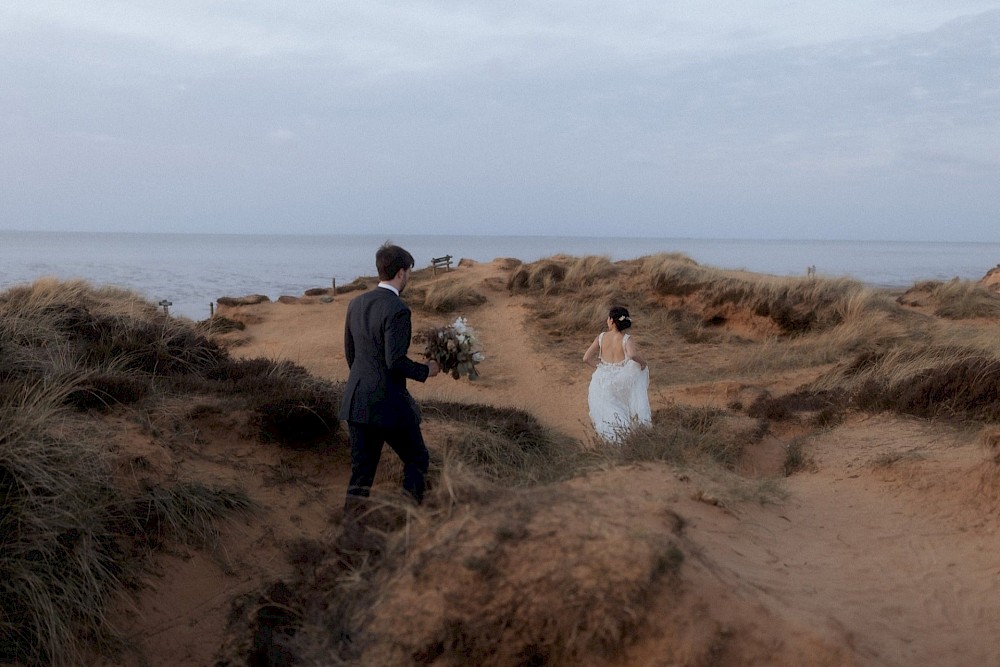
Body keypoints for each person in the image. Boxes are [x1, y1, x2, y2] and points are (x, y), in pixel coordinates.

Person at [339, 242, 440, 513]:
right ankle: (407, 521)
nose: (408, 277)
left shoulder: (356, 303)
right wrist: (426, 370)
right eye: (408, 271)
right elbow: (394, 361)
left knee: (361, 475)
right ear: (401, 272)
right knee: (417, 458)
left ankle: (349, 533)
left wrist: (366, 382)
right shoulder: (398, 309)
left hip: (357, 401)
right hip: (388, 405)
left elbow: (351, 355)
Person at [582, 306, 652, 441]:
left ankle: (614, 440)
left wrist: (599, 367)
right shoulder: (627, 338)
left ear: (612, 321)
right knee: (624, 407)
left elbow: (586, 358)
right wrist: (643, 363)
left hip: (603, 379)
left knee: (610, 411)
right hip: (622, 379)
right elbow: (632, 355)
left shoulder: (601, 337)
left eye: (608, 318)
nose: (607, 321)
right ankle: (629, 439)